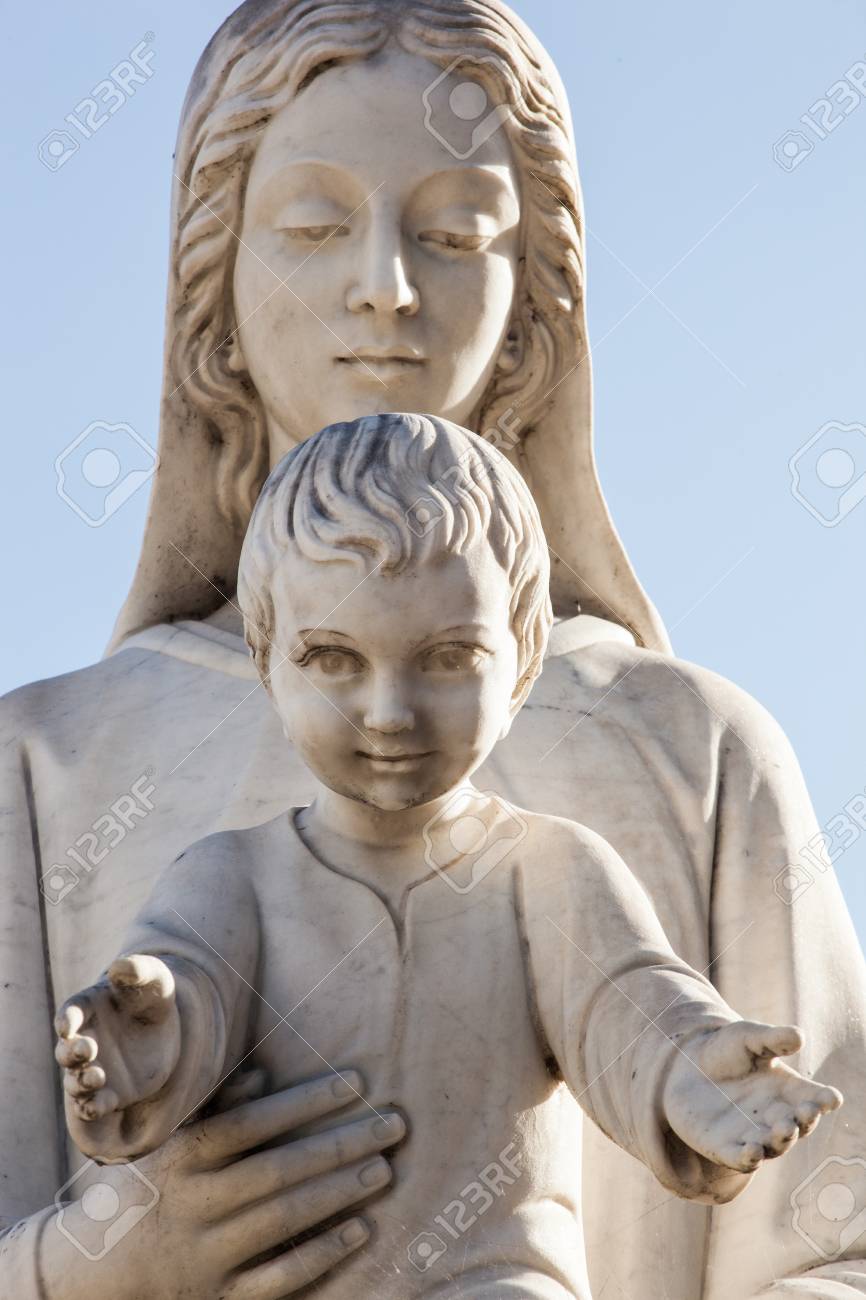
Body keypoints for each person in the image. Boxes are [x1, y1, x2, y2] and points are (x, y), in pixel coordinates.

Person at [2, 3, 864, 1297]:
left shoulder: (692, 748)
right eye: (311, 226)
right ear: (211, 282)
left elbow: (830, 1251)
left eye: (456, 234)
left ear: (535, 300)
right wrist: (105, 1264)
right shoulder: (49, 763)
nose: (386, 288)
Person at [56, 415, 841, 1299]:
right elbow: (183, 994)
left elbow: (629, 1007)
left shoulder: (547, 869)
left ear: (523, 660)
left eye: (446, 658)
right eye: (334, 660)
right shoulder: (229, 878)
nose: (388, 711)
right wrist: (144, 1050)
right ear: (266, 658)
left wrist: (691, 1080)